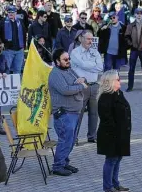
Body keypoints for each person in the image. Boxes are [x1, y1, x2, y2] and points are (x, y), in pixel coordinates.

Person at [48, 48, 87, 176]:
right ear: (57, 61)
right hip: (64, 113)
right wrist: (80, 86)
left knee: (71, 140)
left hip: (74, 112)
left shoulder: (69, 70)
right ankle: (57, 166)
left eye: (69, 58)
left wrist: (81, 81)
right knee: (65, 139)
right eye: (65, 59)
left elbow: (80, 80)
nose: (68, 61)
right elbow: (65, 89)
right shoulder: (55, 74)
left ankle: (64, 162)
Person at [97, 69, 131, 192]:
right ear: (110, 82)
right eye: (117, 79)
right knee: (111, 160)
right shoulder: (105, 98)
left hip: (121, 134)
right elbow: (107, 120)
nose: (120, 80)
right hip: (111, 136)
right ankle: (108, 187)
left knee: (118, 159)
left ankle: (115, 183)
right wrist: (117, 134)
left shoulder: (118, 93)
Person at [71, 30, 103, 143]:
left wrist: (88, 65)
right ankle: (73, 138)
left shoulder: (95, 52)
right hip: (81, 87)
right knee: (78, 113)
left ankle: (92, 136)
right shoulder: (75, 52)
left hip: (94, 86)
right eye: (88, 39)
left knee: (94, 113)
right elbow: (83, 65)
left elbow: (100, 67)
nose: (91, 41)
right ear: (81, 39)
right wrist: (92, 64)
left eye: (92, 39)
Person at [0, 5, 26, 74]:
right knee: (6, 70)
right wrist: (1, 42)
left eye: (12, 12)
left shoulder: (20, 22)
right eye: (9, 12)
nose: (11, 13)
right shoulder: (3, 21)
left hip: (19, 50)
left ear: (16, 13)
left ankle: (16, 85)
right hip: (8, 50)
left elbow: (24, 33)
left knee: (18, 70)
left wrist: (23, 47)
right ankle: (7, 85)